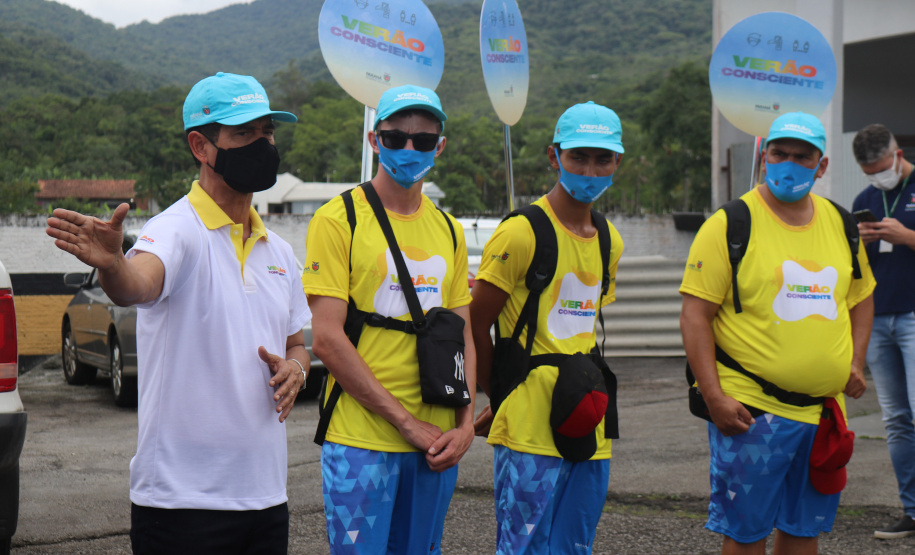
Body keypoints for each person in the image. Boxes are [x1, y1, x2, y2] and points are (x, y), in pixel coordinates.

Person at [46, 72, 311, 554]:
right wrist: (113, 264)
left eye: (267, 132)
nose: (263, 145)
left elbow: (296, 342)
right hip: (181, 505)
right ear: (200, 146)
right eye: (244, 133)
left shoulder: (280, 252)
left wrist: (296, 367)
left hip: (267, 499)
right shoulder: (176, 230)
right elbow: (137, 284)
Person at [680, 111, 875, 554]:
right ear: (764, 156)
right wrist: (714, 396)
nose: (789, 164)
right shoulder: (731, 223)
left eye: (802, 157)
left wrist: (856, 361)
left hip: (823, 414)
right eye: (779, 153)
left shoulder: (841, 223)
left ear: (822, 165)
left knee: (804, 530)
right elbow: (694, 317)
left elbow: (861, 297)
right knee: (746, 534)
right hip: (753, 413)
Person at [303, 84, 475, 554]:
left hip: (436, 442)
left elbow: (462, 336)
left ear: (440, 146)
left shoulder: (449, 230)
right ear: (374, 140)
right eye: (395, 137)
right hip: (362, 442)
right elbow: (326, 339)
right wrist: (405, 423)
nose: (409, 148)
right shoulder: (338, 220)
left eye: (423, 140)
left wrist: (465, 425)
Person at [470, 101, 625, 554]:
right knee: (523, 546)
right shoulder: (520, 233)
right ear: (554, 156)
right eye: (578, 157)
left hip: (588, 418)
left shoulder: (609, 240)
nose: (590, 170)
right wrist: (500, 396)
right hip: (528, 429)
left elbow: (582, 330)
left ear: (617, 162)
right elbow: (476, 325)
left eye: (602, 159)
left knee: (575, 545)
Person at [851, 124, 915, 539]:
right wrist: (856, 242)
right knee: (896, 419)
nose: (877, 179)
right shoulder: (865, 200)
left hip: (913, 314)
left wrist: (906, 236)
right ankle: (912, 510)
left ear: (898, 155)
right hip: (877, 318)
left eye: (881, 170)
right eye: (869, 173)